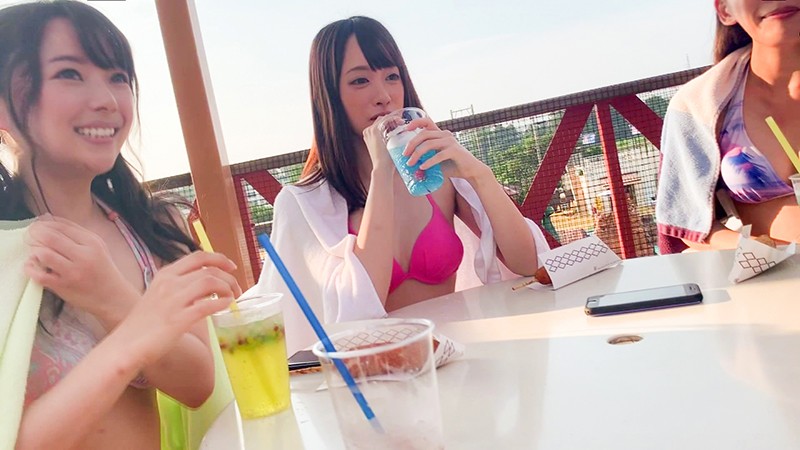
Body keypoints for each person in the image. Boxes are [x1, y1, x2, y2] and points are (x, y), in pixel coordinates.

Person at [0, 2, 241, 449]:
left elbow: (198, 386)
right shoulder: (6, 250)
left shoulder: (153, 228)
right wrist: (134, 333)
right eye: (70, 73)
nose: (107, 101)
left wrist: (110, 297)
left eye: (118, 77)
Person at [254, 16, 548, 354]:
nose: (383, 96)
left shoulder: (438, 174)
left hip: (454, 357)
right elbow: (358, 312)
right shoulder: (305, 202)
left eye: (392, 77)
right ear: (329, 96)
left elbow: (528, 263)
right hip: (379, 372)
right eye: (360, 80)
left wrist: (479, 176)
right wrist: (382, 173)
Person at [656, 0, 800, 253]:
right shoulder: (697, 105)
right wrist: (765, 250)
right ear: (725, 10)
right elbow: (693, 224)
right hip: (774, 274)